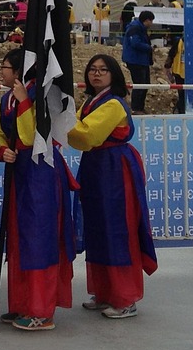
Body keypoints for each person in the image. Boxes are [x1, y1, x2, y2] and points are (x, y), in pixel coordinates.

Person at [0, 50, 76, 331]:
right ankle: (22, 303)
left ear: (18, 72)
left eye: (4, 67)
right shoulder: (5, 100)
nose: (1, 72)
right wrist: (3, 150)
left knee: (39, 240)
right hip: (19, 173)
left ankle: (42, 311)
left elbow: (30, 136)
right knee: (19, 238)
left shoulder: (40, 97)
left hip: (40, 172)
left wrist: (26, 102)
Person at [67, 54, 157, 318]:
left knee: (118, 229)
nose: (96, 74)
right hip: (97, 167)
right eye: (92, 70)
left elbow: (87, 135)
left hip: (115, 170)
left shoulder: (114, 104)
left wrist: (62, 120)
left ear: (113, 75)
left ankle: (125, 297)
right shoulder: (91, 102)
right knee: (99, 228)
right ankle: (105, 291)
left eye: (103, 70)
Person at [121, 10, 155, 114]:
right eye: (151, 21)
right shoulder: (135, 28)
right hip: (135, 60)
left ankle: (140, 107)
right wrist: (149, 48)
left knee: (145, 84)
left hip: (142, 61)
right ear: (146, 20)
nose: (152, 23)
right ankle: (136, 108)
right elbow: (135, 43)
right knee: (139, 84)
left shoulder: (140, 28)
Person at [164, 35, 186, 115]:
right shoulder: (178, 42)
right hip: (179, 72)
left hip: (192, 74)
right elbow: (171, 55)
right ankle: (181, 112)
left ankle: (181, 110)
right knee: (182, 94)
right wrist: (168, 71)